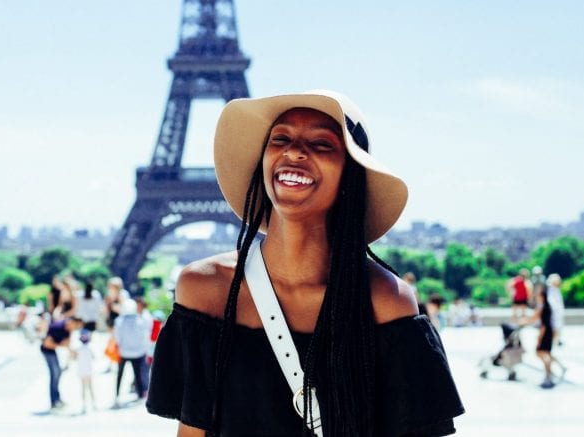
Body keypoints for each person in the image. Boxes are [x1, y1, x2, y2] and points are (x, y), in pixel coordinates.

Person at [146, 90, 464, 436]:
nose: (294, 151)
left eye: (322, 144)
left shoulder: (387, 300)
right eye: (280, 138)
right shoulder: (204, 289)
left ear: (351, 174)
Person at [39, 315, 83, 412]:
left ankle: (57, 399)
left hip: (52, 350)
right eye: (76, 327)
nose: (76, 329)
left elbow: (67, 344)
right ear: (72, 322)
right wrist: (60, 345)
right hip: (47, 351)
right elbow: (47, 344)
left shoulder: (69, 330)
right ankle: (54, 401)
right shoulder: (57, 327)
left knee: (57, 373)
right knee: (54, 374)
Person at [113, 298, 152, 406]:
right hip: (138, 352)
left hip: (123, 352)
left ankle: (116, 395)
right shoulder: (140, 320)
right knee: (137, 374)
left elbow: (117, 338)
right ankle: (140, 396)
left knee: (120, 374)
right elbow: (144, 337)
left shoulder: (119, 321)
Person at [525, 288, 566, 389]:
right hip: (549, 332)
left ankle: (548, 375)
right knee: (546, 353)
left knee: (542, 353)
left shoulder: (544, 307)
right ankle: (559, 369)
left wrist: (540, 337)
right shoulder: (547, 306)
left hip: (546, 332)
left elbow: (543, 324)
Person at [73, 329, 96, 414]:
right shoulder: (90, 348)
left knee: (83, 388)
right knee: (90, 388)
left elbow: (74, 358)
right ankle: (93, 404)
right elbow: (94, 357)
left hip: (81, 371)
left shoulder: (78, 348)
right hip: (89, 370)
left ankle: (84, 405)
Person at [545, 274, 565, 346]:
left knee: (558, 328)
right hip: (555, 313)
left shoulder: (556, 289)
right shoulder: (551, 289)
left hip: (558, 313)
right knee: (555, 328)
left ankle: (557, 340)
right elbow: (552, 302)